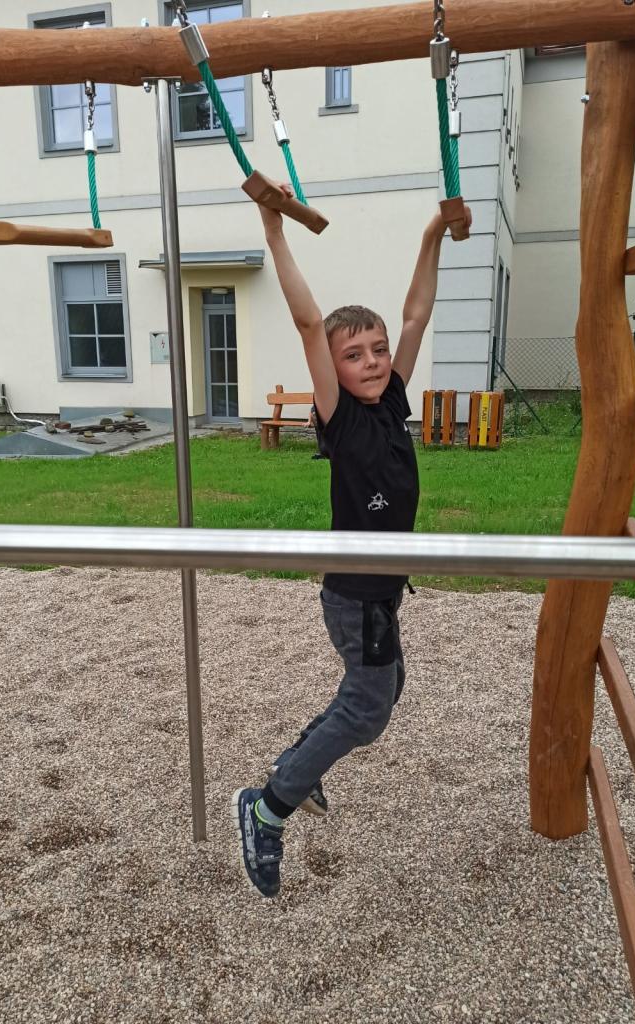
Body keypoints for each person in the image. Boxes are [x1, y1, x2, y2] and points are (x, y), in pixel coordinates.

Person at [231, 187, 471, 897]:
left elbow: (415, 313)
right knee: (368, 710)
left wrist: (431, 233)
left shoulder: (392, 400)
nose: (371, 361)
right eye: (354, 354)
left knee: (384, 689)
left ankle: (297, 764)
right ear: (331, 370)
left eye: (377, 351)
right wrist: (275, 233)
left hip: (381, 590)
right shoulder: (339, 418)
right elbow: (309, 321)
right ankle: (268, 808)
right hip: (357, 595)